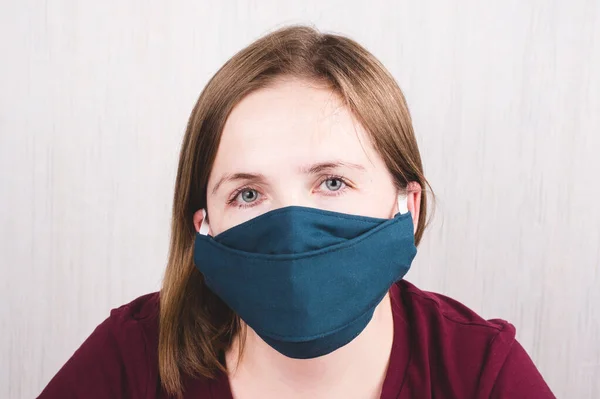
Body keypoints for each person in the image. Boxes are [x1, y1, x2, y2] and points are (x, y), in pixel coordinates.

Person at [38, 25, 555, 399]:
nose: (290, 224)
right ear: (204, 226)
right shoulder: (132, 359)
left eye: (332, 182)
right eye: (247, 194)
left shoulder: (481, 373)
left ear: (408, 208)